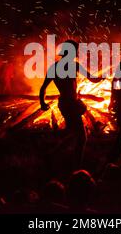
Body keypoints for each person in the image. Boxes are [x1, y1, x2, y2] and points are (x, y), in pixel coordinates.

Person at [39, 40, 103, 169]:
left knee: (72, 132)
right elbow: (92, 78)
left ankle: (52, 154)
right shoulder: (74, 66)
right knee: (82, 137)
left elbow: (43, 88)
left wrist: (42, 102)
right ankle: (76, 166)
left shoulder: (55, 67)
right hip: (70, 105)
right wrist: (102, 77)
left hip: (66, 103)